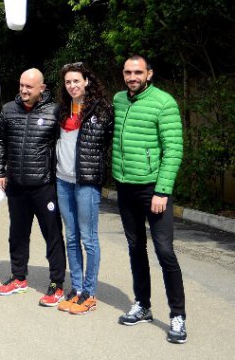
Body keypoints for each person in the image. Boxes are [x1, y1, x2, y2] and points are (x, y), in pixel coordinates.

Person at [113, 55, 187, 344]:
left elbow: (173, 149)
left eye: (138, 72)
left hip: (153, 190)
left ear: (149, 74)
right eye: (128, 72)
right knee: (135, 247)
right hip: (125, 187)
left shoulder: (164, 103)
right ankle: (142, 305)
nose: (132, 77)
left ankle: (177, 315)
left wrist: (162, 191)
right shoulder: (119, 100)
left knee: (165, 251)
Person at [0, 68, 66, 306]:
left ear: (41, 88)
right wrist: (0, 172)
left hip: (44, 186)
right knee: (17, 235)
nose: (23, 90)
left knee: (52, 236)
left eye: (29, 87)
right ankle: (18, 278)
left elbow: (66, 144)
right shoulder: (8, 110)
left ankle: (56, 284)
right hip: (16, 185)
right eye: (21, 85)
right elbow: (0, 140)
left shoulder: (55, 111)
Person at [54, 62, 113, 315]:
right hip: (62, 180)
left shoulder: (101, 110)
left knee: (88, 239)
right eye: (68, 82)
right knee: (71, 237)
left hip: (86, 181)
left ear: (87, 81)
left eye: (76, 81)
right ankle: (77, 288)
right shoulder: (61, 110)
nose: (72, 86)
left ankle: (89, 292)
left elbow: (106, 142)